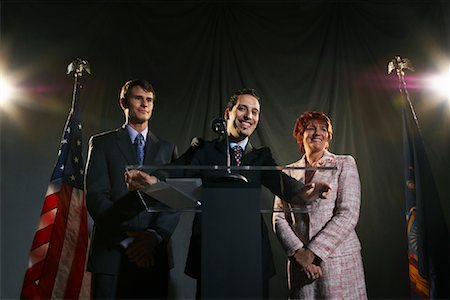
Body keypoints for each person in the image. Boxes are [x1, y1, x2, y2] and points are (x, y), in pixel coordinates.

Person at [126, 89, 331, 299]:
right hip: (211, 251)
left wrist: (305, 192)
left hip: (251, 253)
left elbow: (283, 184)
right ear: (228, 114)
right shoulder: (203, 149)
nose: (248, 116)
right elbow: (176, 169)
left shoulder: (261, 156)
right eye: (242, 109)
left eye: (254, 112)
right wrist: (152, 180)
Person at [85, 79, 179, 299]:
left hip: (153, 255)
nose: (144, 104)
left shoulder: (167, 149)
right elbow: (96, 197)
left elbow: (174, 200)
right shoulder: (102, 144)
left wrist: (153, 237)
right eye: (138, 98)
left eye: (149, 100)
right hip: (111, 252)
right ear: (123, 103)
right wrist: (127, 241)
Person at [273, 111, 367, 299]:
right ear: (300, 135)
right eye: (311, 128)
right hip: (301, 266)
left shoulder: (344, 164)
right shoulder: (287, 173)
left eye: (323, 129)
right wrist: (299, 254)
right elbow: (278, 217)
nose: (318, 132)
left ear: (328, 137)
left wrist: (312, 252)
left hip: (338, 262)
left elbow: (348, 214)